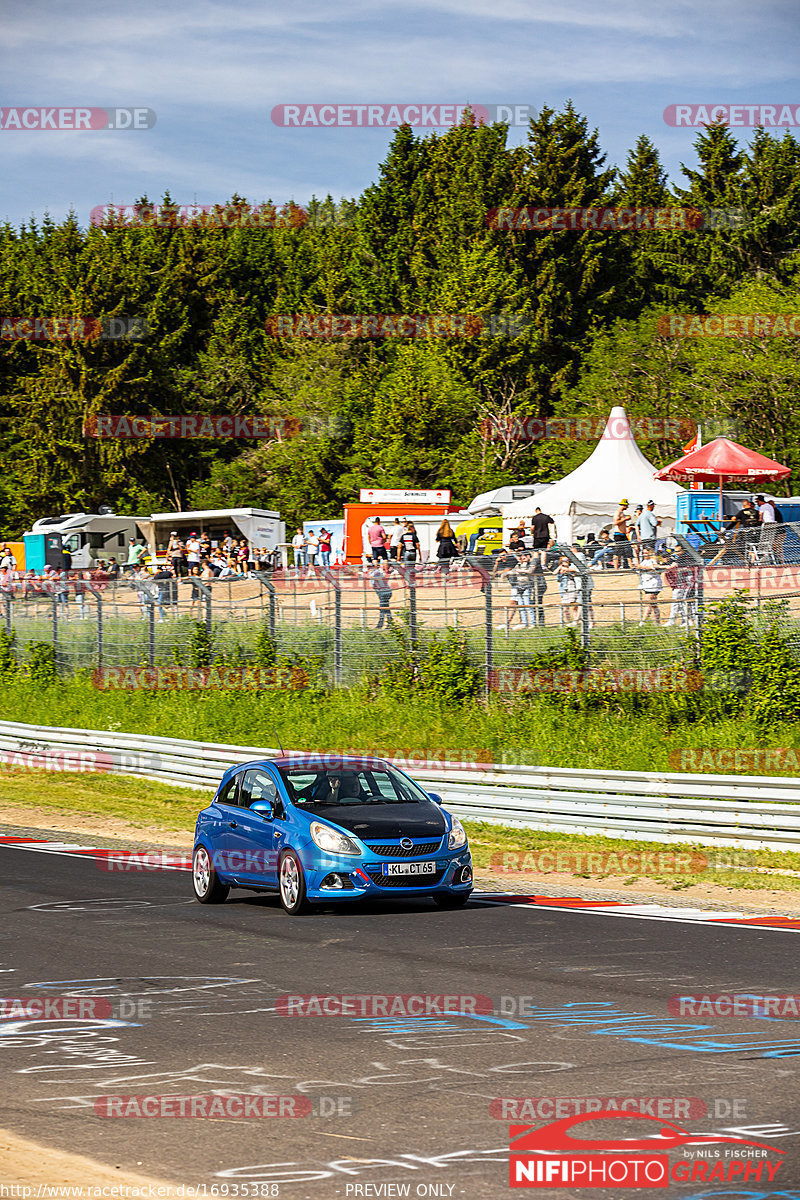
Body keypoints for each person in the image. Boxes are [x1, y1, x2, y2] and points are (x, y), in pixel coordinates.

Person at [637, 551, 663, 625]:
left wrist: (642, 567)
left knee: (648, 603)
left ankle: (643, 622)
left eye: (646, 553)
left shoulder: (654, 560)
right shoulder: (644, 561)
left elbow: (655, 567)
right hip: (646, 584)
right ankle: (658, 622)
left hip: (653, 584)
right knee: (653, 604)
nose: (644, 554)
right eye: (643, 553)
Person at [554, 555, 580, 626]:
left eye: (566, 561)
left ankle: (575, 622)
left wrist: (566, 569)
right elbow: (554, 573)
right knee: (565, 607)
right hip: (563, 588)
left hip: (571, 586)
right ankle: (568, 622)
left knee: (573, 605)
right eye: (563, 561)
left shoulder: (571, 567)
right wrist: (560, 567)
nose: (565, 562)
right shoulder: (559, 568)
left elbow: (575, 571)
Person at [371, 560, 393, 628]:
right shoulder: (376, 573)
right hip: (386, 592)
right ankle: (390, 623)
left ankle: (380, 624)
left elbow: (377, 584)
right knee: (386, 608)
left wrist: (378, 591)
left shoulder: (375, 573)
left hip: (384, 593)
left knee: (382, 609)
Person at [612, 500, 632, 569]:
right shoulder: (617, 513)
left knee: (628, 550)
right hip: (618, 535)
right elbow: (616, 523)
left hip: (623, 535)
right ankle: (616, 569)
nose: (627, 507)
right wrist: (625, 519)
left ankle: (631, 567)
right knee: (617, 552)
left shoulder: (622, 513)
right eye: (626, 505)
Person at [529, 559, 548, 626]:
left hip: (540, 585)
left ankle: (540, 623)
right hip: (535, 586)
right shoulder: (523, 563)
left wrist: (520, 571)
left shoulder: (534, 560)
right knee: (535, 603)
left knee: (537, 603)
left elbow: (530, 571)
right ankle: (540, 622)